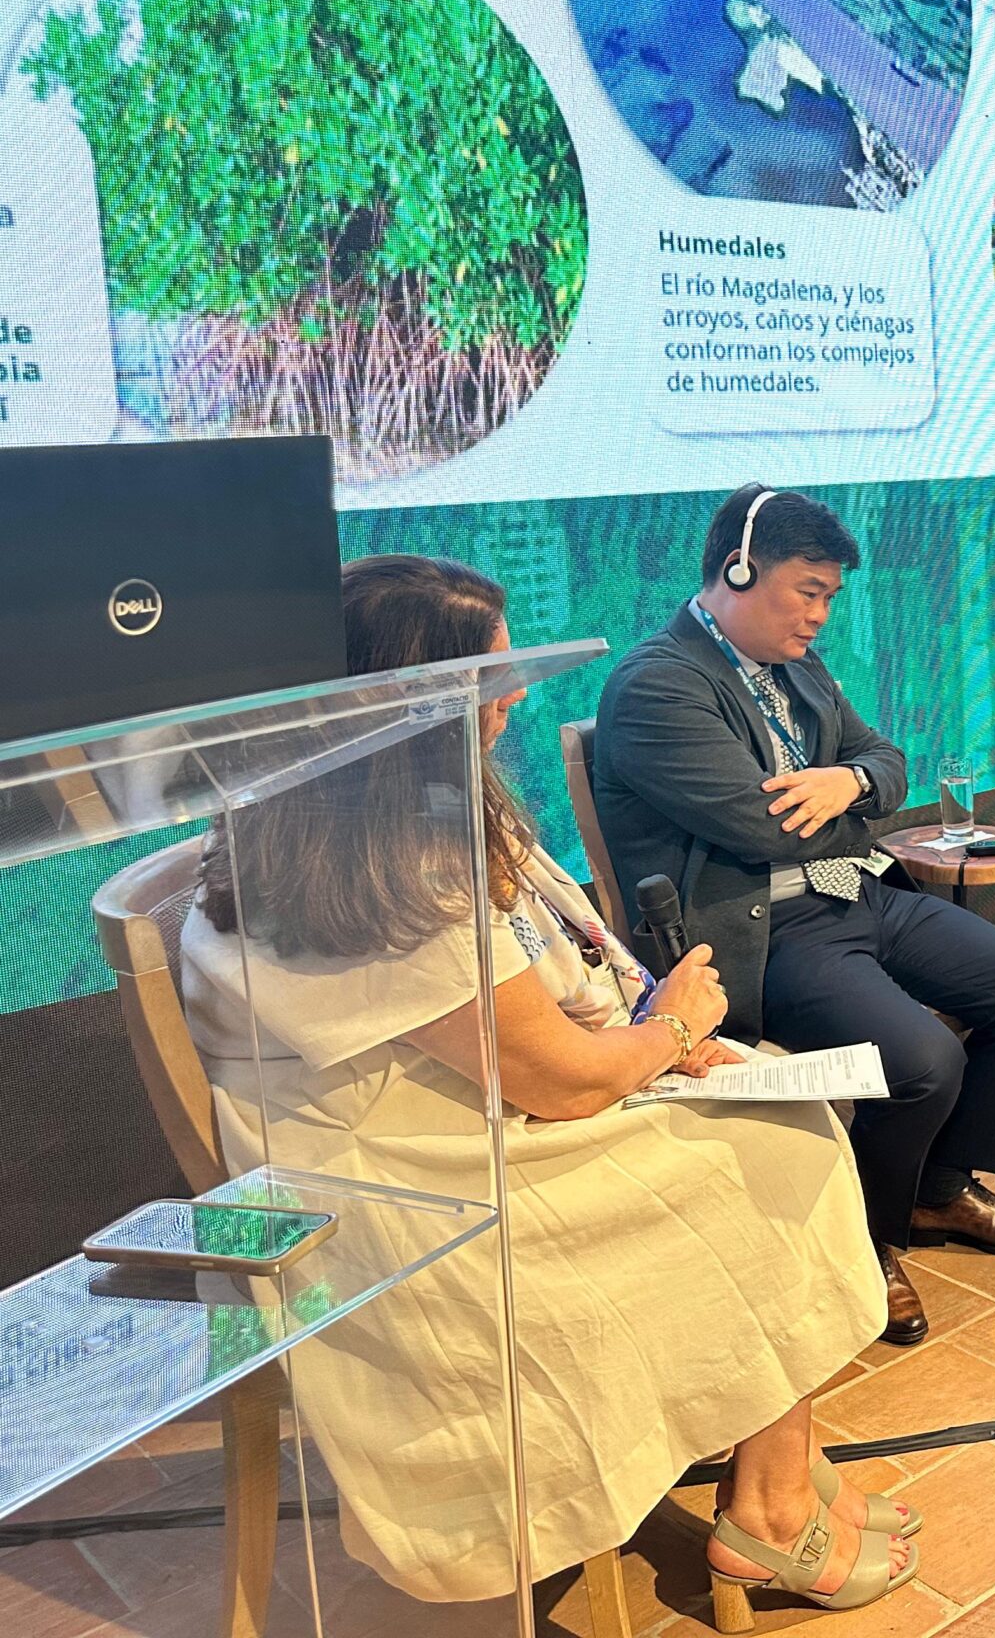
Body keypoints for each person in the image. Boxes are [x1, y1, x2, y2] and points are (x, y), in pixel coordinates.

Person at [181, 556, 919, 1619]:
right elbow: (564, 1085)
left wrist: (657, 1028)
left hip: (455, 1116)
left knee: (773, 1102)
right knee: (780, 1147)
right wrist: (669, 1029)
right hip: (411, 1186)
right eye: (491, 674)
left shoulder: (351, 820)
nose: (518, 692)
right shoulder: (387, 874)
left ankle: (779, 1461)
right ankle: (766, 1509)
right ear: (407, 695)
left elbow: (549, 999)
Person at [591, 486, 995, 1347]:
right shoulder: (656, 686)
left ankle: (941, 1188)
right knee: (919, 1060)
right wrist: (851, 797)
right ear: (740, 569)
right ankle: (869, 1244)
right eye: (807, 591)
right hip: (759, 933)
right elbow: (760, 825)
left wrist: (847, 782)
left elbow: (888, 760)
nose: (819, 615)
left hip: (853, 890)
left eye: (830, 598)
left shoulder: (796, 667)